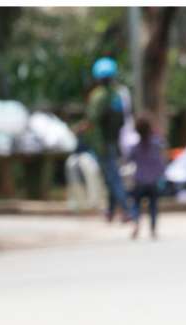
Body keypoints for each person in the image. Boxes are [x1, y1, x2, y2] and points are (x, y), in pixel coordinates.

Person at [76, 57, 134, 223]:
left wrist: (79, 129)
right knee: (110, 175)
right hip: (114, 140)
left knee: (113, 176)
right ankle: (110, 211)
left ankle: (126, 210)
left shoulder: (98, 96)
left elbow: (92, 119)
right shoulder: (117, 95)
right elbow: (123, 119)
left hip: (101, 143)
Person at [126, 114, 167, 240]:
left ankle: (136, 223)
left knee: (136, 204)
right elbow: (163, 146)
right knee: (153, 206)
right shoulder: (156, 143)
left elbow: (129, 159)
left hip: (140, 181)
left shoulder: (135, 147)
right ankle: (153, 229)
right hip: (154, 181)